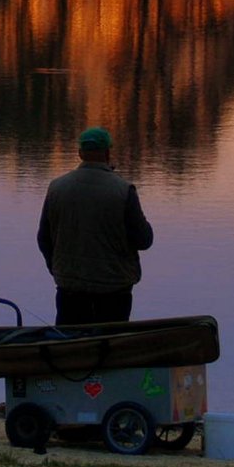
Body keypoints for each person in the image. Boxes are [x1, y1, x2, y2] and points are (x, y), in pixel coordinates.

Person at [36, 126, 154, 325]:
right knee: (110, 344)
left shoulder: (57, 188)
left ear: (80, 153)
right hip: (114, 288)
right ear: (108, 153)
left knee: (70, 344)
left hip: (69, 286)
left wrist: (56, 268)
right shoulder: (123, 190)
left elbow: (43, 238)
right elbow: (144, 240)